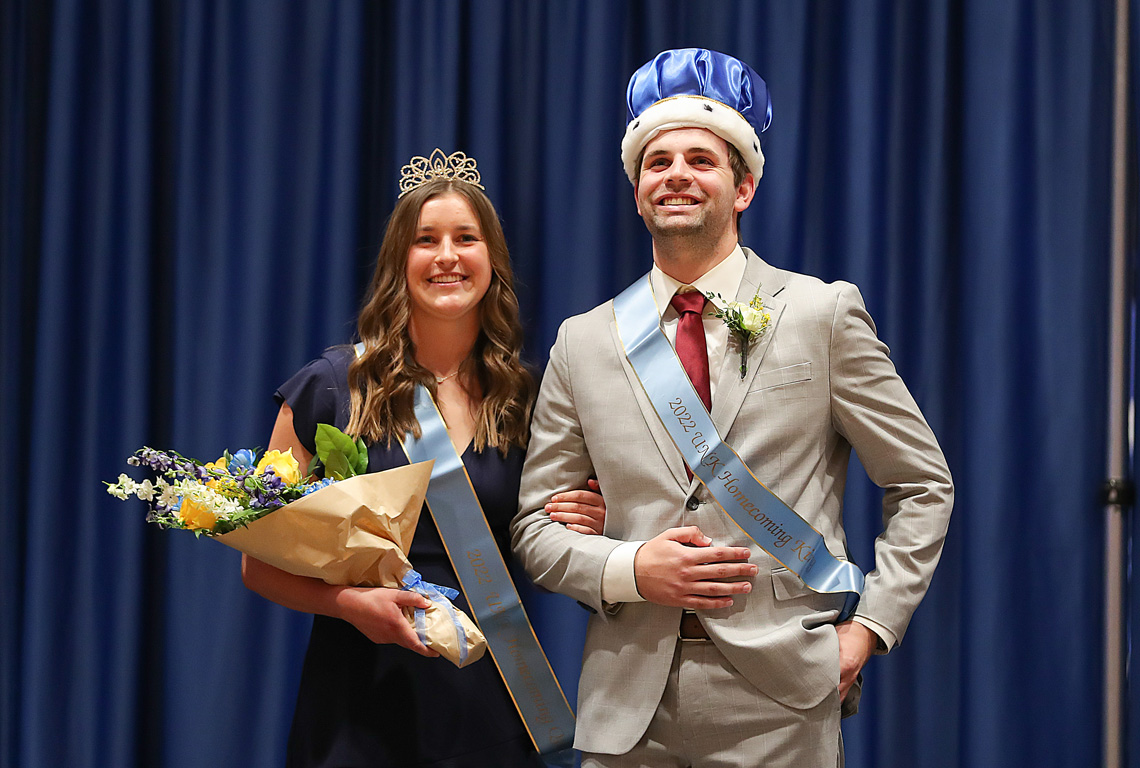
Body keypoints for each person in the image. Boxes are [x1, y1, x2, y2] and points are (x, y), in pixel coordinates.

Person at [512, 48, 954, 767]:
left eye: (700, 159)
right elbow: (535, 528)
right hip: (626, 709)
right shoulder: (583, 341)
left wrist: (870, 626)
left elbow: (923, 484)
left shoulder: (820, 313)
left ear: (742, 187)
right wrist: (630, 568)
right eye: (657, 162)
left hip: (781, 703)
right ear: (635, 190)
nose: (676, 175)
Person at [242, 151, 606, 768]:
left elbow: (558, 540)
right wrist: (348, 605)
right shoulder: (331, 385)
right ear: (398, 262)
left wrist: (588, 526)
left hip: (489, 697)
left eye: (466, 238)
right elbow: (259, 562)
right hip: (359, 697)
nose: (446, 256)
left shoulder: (531, 397)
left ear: (492, 260)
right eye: (425, 240)